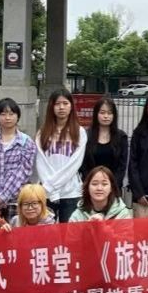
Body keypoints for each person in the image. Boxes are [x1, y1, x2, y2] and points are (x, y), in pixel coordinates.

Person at [67, 166, 131, 293]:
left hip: (112, 270)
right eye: (94, 184)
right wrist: (87, 231)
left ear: (111, 188)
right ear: (87, 187)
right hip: (86, 270)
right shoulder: (77, 214)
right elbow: (71, 245)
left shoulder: (123, 213)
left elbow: (126, 244)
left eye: (104, 183)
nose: (99, 188)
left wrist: (104, 229)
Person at [0, 97, 36, 220]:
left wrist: (3, 197)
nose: (7, 118)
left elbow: (23, 172)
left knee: (16, 230)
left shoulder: (26, 142)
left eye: (11, 114)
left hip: (17, 200)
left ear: (17, 116)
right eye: (3, 114)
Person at [35, 89, 88, 224]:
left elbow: (74, 164)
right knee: (45, 232)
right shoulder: (42, 133)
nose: (61, 107)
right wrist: (50, 190)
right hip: (46, 192)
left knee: (69, 233)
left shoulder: (79, 132)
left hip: (70, 192)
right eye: (57, 104)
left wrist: (52, 186)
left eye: (65, 103)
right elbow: (41, 164)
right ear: (51, 107)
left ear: (71, 106)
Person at [81, 95, 129, 192]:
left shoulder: (121, 137)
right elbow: (83, 165)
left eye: (109, 113)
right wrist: (92, 184)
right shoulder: (86, 136)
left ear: (114, 115)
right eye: (102, 112)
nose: (106, 116)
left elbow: (122, 166)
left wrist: (112, 186)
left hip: (113, 188)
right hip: (91, 188)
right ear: (96, 114)